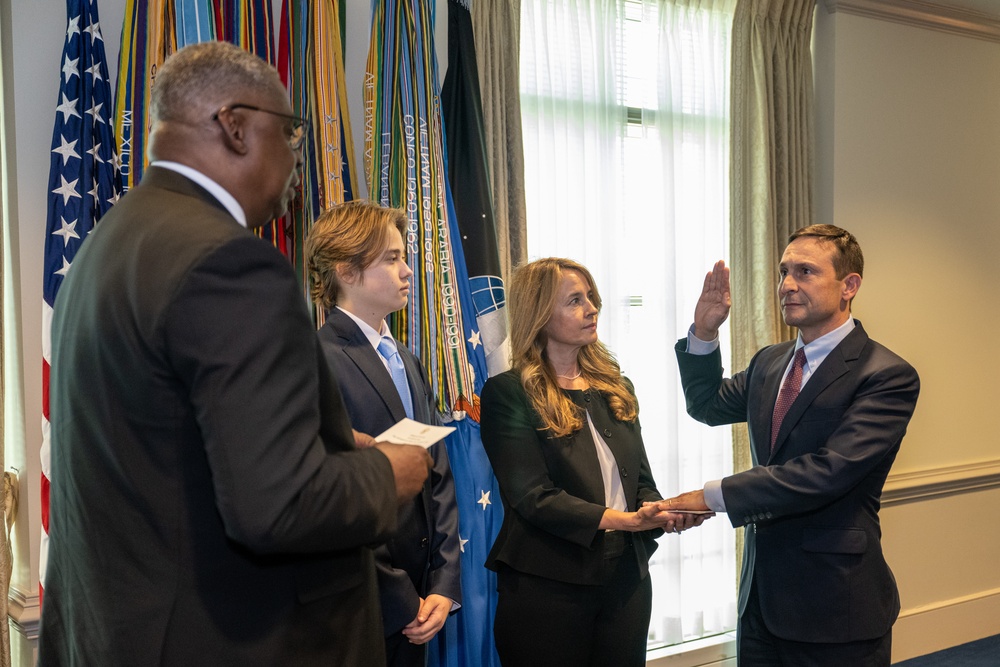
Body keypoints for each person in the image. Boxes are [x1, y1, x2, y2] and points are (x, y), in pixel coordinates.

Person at [39, 41, 433, 667]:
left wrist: (324, 444)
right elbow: (278, 507)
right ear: (236, 126)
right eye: (291, 132)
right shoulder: (229, 262)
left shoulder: (107, 245)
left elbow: (170, 447)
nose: (297, 157)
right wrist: (391, 473)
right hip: (222, 638)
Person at [667, 224, 920, 666]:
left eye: (804, 272)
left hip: (835, 606)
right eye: (784, 272)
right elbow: (706, 405)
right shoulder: (770, 361)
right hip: (760, 602)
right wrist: (704, 333)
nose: (787, 285)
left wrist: (712, 497)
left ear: (849, 286)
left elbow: (828, 472)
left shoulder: (886, 375)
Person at [479, 257, 706, 667]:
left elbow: (638, 481)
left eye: (591, 298)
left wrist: (662, 511)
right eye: (575, 301)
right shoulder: (508, 393)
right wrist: (627, 520)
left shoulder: (615, 387)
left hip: (626, 581)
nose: (591, 308)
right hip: (548, 585)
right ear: (540, 313)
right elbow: (532, 497)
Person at [305, 200, 462, 666]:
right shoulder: (317, 361)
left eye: (403, 257)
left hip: (423, 603)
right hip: (360, 606)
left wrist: (443, 585)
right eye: (391, 259)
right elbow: (334, 500)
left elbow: (437, 475)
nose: (407, 270)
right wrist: (400, 598)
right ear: (347, 271)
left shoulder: (407, 360)